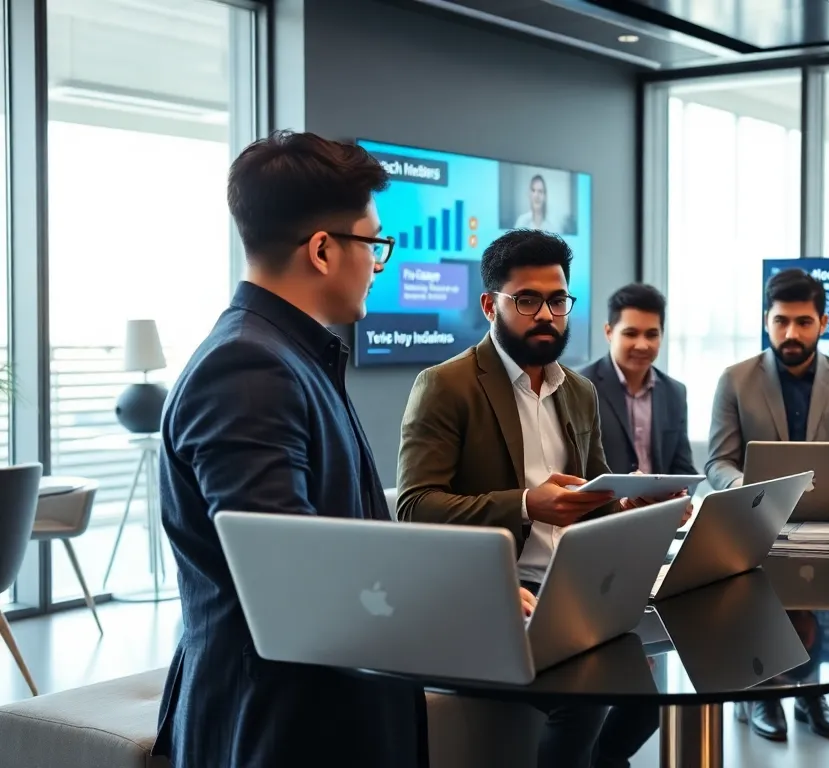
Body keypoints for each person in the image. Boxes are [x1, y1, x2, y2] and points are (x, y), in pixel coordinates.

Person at [152, 131, 429, 767]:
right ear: (325, 250)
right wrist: (447, 597)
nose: (378, 263)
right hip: (282, 726)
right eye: (375, 244)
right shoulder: (250, 368)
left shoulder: (287, 354)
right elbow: (291, 580)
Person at [397, 229, 682, 768]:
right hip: (494, 589)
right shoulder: (446, 385)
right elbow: (414, 505)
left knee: (648, 700)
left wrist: (634, 506)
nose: (547, 314)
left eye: (557, 299)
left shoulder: (579, 391)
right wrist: (528, 504)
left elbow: (596, 493)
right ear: (490, 305)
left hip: (574, 586)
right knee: (586, 702)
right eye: (527, 300)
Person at [705, 267, 829, 742]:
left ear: (823, 323)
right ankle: (765, 693)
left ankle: (809, 693)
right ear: (766, 320)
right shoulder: (735, 380)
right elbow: (717, 462)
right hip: (759, 523)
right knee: (760, 605)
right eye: (781, 320)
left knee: (819, 604)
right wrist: (748, 487)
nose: (791, 333)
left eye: (803, 322)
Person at [578, 283, 696, 477]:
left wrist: (681, 499)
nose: (642, 345)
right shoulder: (580, 387)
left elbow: (683, 470)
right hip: (603, 505)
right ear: (609, 332)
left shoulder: (674, 392)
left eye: (652, 334)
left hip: (659, 506)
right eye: (631, 334)